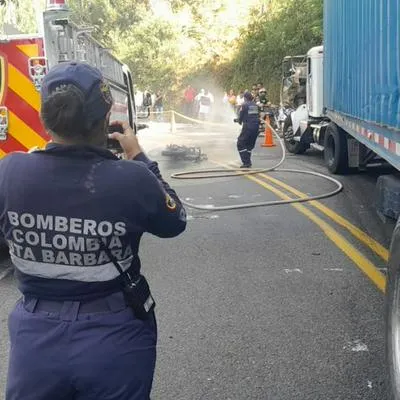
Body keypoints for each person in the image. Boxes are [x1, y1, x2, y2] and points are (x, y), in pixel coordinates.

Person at [1, 61, 187, 400]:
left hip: (35, 340)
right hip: (114, 338)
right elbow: (175, 221)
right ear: (104, 119)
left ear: (47, 119)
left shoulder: (10, 171)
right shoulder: (132, 178)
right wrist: (138, 156)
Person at [235, 90, 260, 168]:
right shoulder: (255, 105)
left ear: (245, 98)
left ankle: (246, 162)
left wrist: (238, 121)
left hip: (248, 127)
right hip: (256, 128)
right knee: (249, 145)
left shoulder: (244, 105)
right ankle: (248, 161)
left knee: (240, 143)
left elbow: (241, 117)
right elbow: (253, 116)